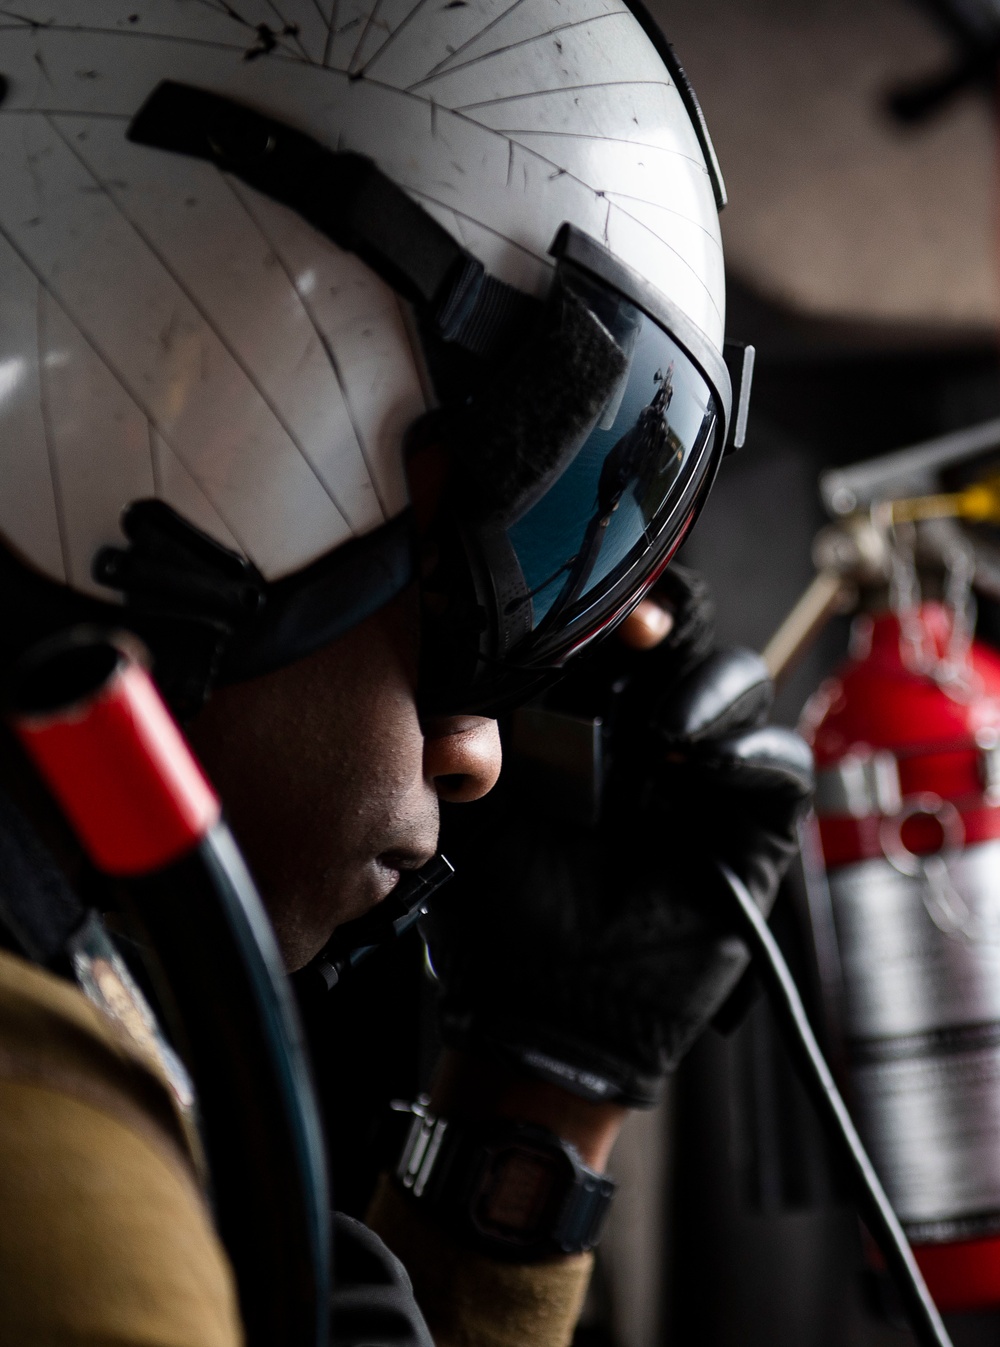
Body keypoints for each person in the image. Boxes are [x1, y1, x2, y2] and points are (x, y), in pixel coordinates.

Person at [0, 2, 811, 1344]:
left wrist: (547, 1086)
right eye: (461, 590)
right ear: (187, 448)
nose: (479, 751)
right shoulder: (39, 1147)